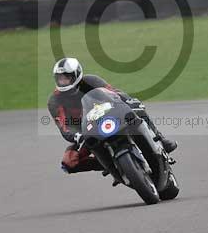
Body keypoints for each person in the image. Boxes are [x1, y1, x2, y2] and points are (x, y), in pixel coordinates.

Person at [47, 57, 177, 175]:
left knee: (137, 109)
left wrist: (129, 101)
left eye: (66, 77)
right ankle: (108, 165)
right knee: (68, 163)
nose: (63, 81)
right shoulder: (54, 100)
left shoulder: (91, 81)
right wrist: (77, 136)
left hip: (109, 116)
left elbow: (114, 93)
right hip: (86, 133)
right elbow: (63, 127)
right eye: (60, 78)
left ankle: (160, 138)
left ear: (76, 75)